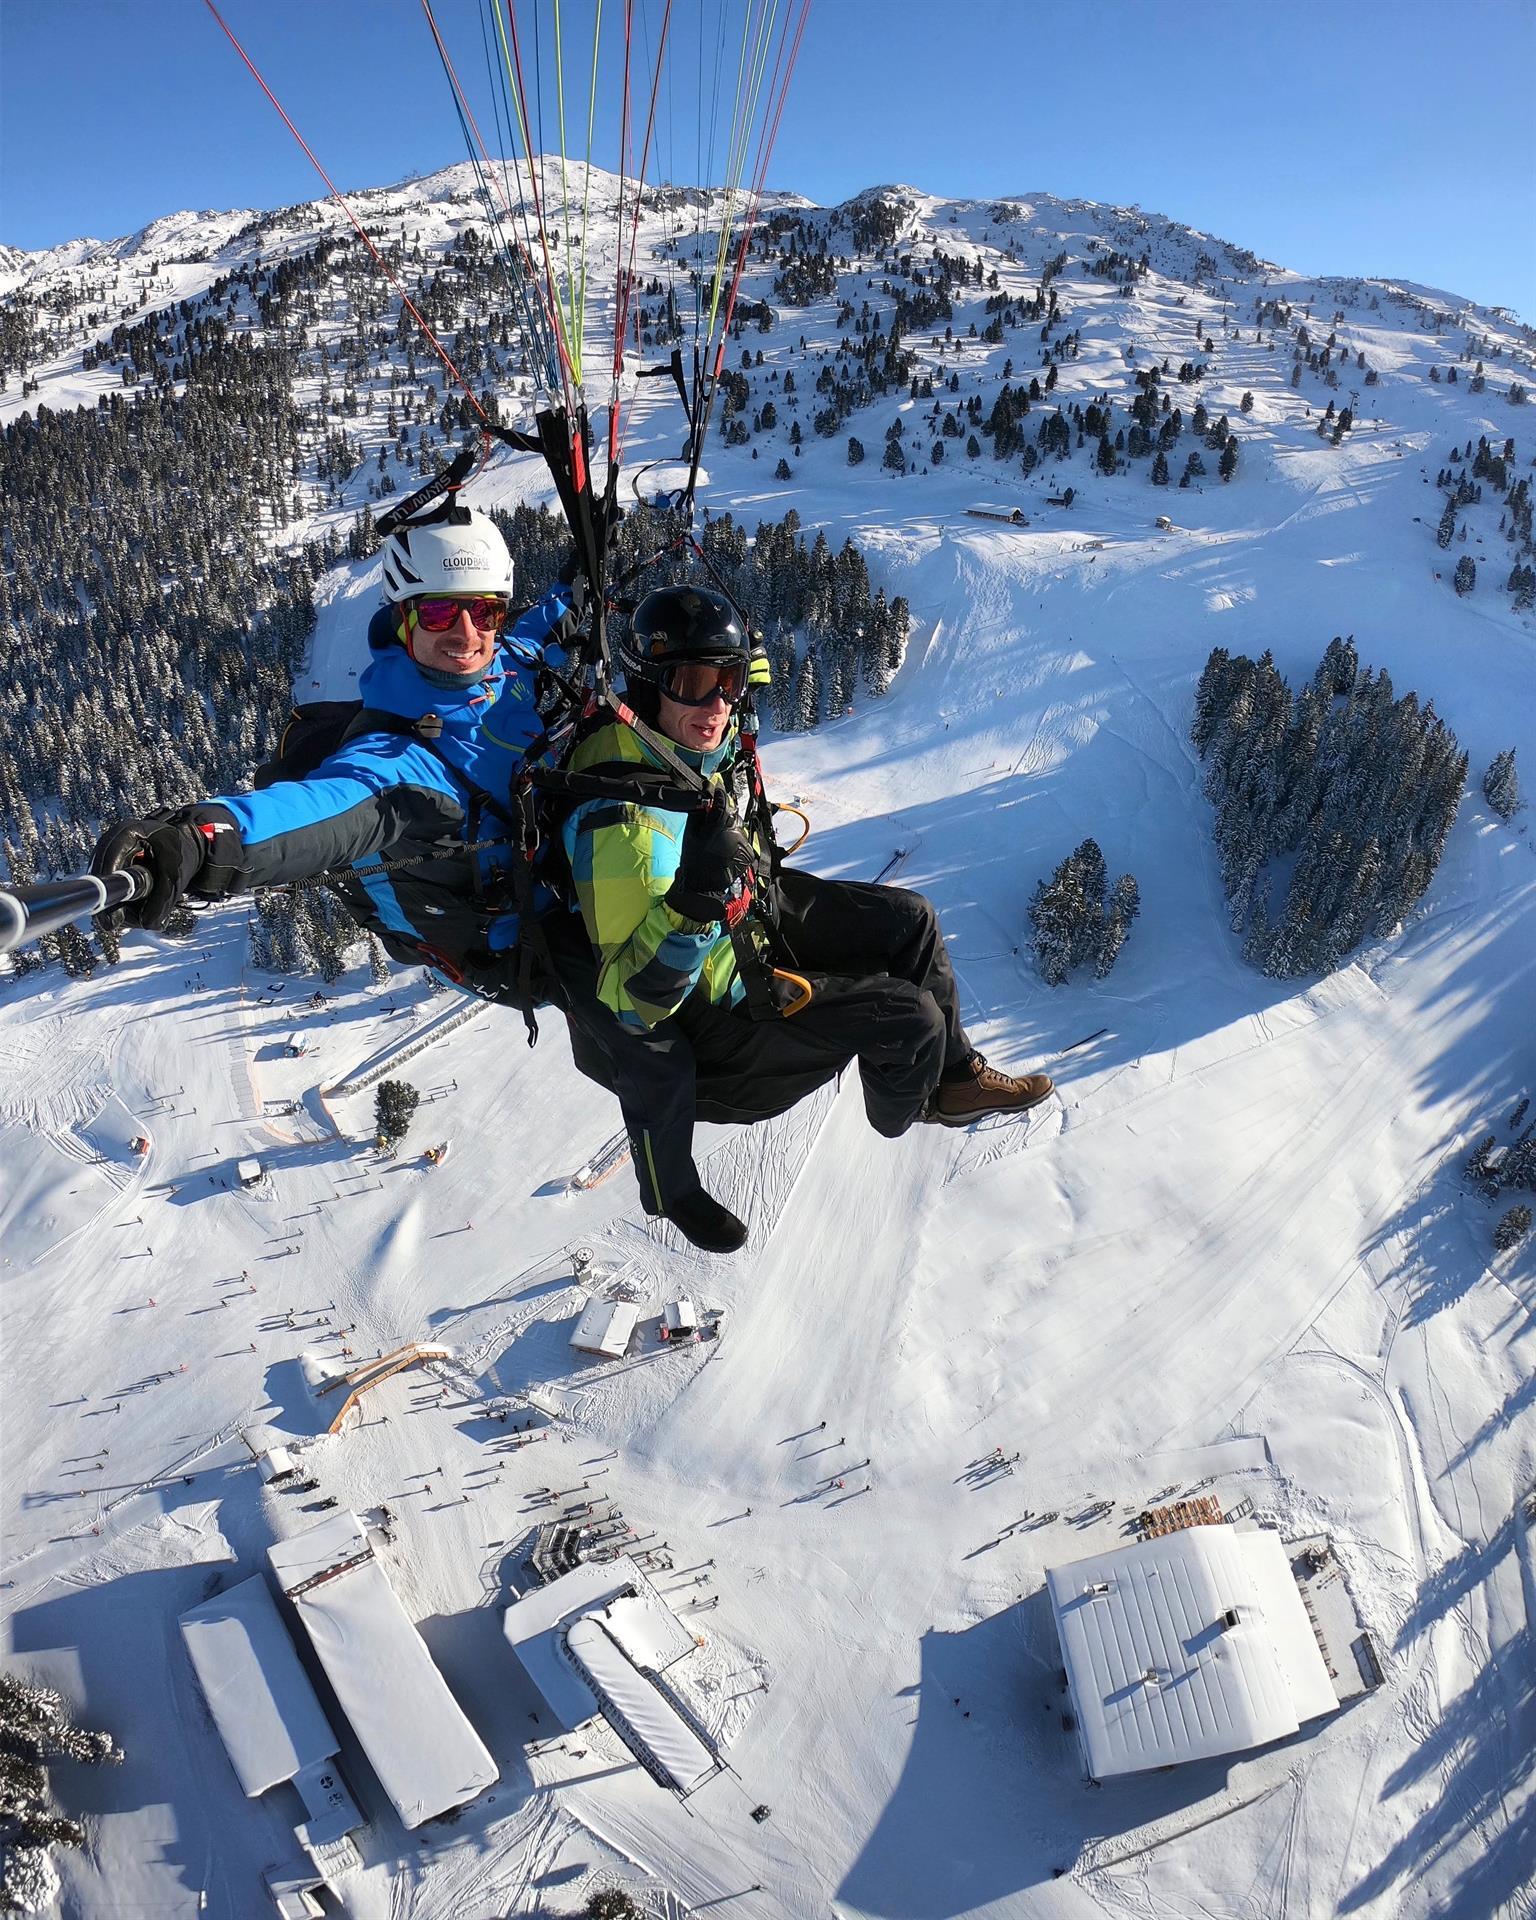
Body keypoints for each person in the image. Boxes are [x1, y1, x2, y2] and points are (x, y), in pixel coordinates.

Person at [551, 584, 1053, 1254]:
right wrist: (694, 902)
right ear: (648, 685)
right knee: (911, 1022)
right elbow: (635, 1001)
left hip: (747, 918)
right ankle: (905, 1107)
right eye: (694, 683)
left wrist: (734, 682)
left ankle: (954, 1081)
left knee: (912, 920)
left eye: (729, 683)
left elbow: (717, 722)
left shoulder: (670, 742)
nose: (716, 706)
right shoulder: (629, 826)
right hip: (719, 1014)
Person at [89, 508, 581, 1004]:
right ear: (403, 619)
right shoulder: (401, 761)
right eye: (438, 613)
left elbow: (538, 632)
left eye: (484, 612)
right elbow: (325, 809)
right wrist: (201, 840)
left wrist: (578, 580)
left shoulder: (505, 664)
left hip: (564, 877)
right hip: (522, 948)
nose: (467, 634)